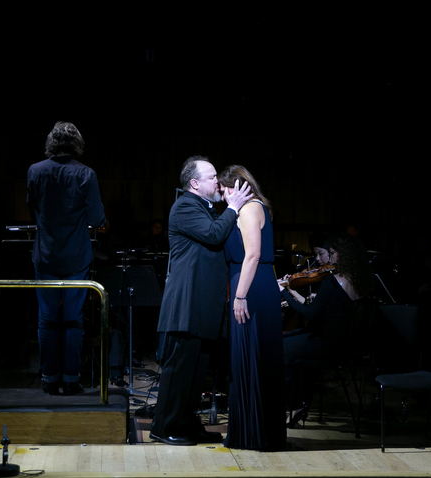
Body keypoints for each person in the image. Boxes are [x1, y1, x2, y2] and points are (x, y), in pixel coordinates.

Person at [150, 155, 252, 446]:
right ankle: (163, 426)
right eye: (211, 177)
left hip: (201, 308)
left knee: (195, 375)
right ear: (194, 183)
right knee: (179, 372)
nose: (217, 181)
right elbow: (212, 235)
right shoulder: (184, 206)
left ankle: (184, 422)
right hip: (186, 306)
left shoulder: (203, 207)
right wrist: (233, 207)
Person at [27, 121, 106, 395]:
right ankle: (71, 380)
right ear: (76, 144)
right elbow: (97, 218)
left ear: (51, 142)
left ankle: (50, 379)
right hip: (76, 257)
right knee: (73, 320)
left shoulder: (35, 171)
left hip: (46, 255)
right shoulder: (86, 174)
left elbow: (32, 209)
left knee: (47, 319)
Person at [217, 165, 286, 451]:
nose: (222, 197)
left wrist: (240, 296)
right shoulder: (257, 208)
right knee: (255, 360)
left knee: (252, 358)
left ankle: (253, 435)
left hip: (250, 289)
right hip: (256, 286)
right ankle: (258, 433)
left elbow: (253, 255)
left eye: (224, 190)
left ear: (238, 186)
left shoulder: (248, 210)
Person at [279, 233, 374, 427]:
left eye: (331, 253)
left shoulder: (332, 282)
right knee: (289, 341)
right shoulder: (359, 280)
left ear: (342, 255)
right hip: (345, 345)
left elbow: (310, 314)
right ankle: (302, 401)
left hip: (327, 344)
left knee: (280, 348)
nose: (328, 258)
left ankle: (295, 404)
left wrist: (283, 292)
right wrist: (292, 292)